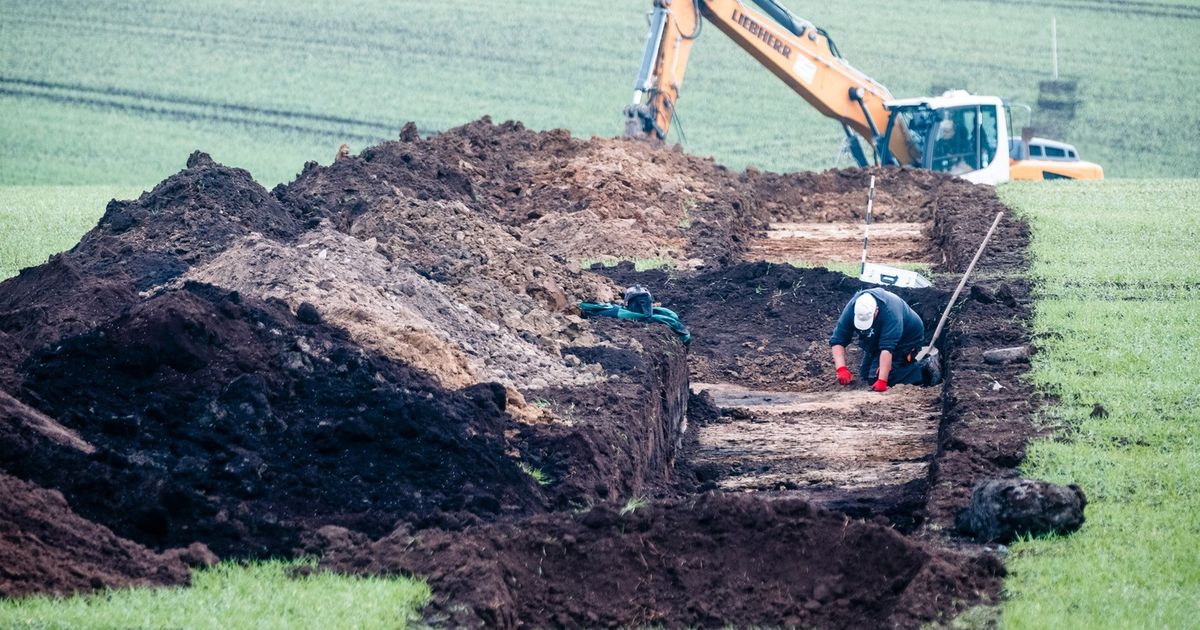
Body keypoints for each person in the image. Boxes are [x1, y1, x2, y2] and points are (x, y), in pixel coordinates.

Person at [829, 288, 937, 392]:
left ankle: (923, 370)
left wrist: (882, 381)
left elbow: (887, 348)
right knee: (865, 375)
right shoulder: (853, 307)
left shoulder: (890, 312)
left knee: (879, 378)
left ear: (876, 311)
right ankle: (900, 368)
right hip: (879, 337)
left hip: (906, 338)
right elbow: (838, 340)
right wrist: (841, 369)